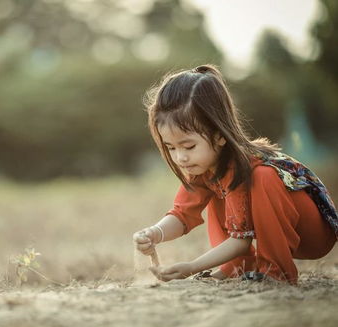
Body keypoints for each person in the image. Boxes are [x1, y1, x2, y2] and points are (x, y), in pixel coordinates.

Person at [133, 64, 337, 284]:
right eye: (171, 148)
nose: (180, 158)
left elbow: (240, 241)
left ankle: (275, 272)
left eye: (189, 147)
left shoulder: (243, 167)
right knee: (217, 193)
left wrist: (192, 267)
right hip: (280, 231)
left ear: (220, 135)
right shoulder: (201, 168)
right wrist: (154, 233)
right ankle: (237, 268)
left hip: (312, 234)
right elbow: (182, 215)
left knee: (263, 177)